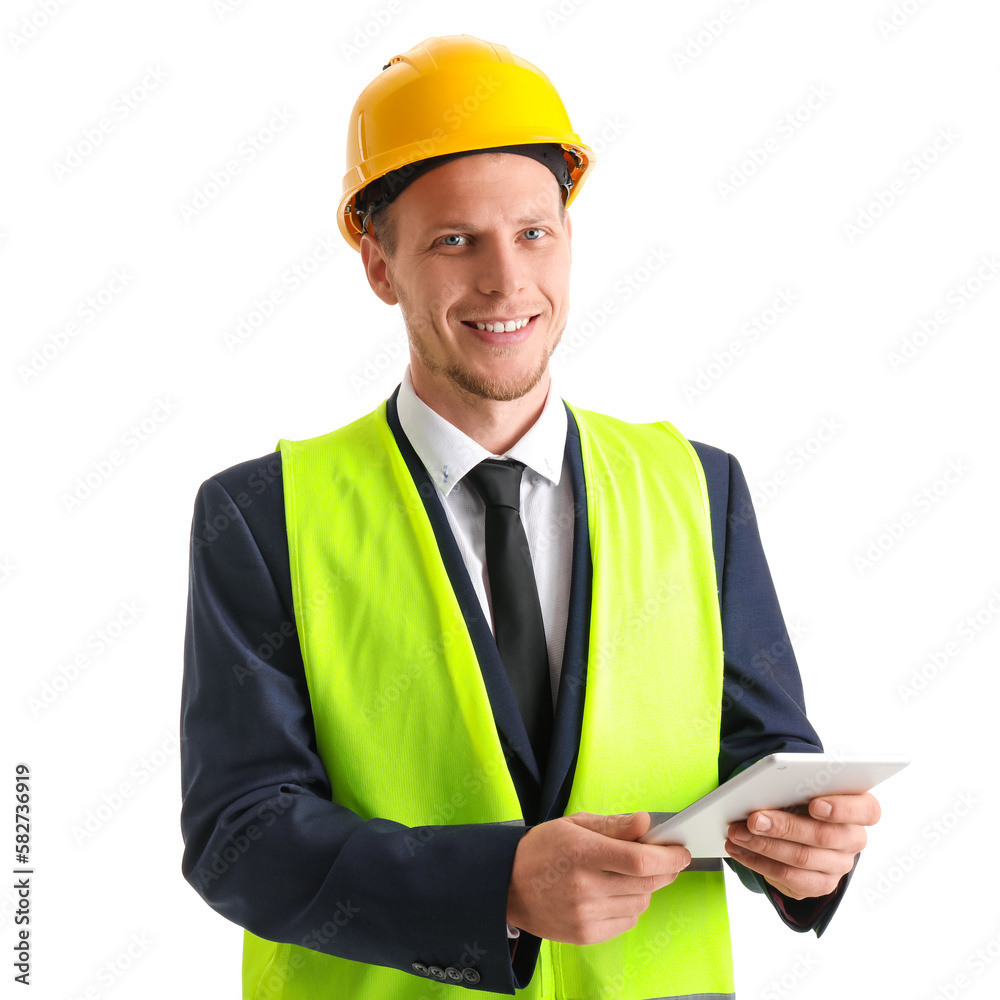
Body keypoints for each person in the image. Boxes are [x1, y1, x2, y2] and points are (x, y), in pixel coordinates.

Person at [180, 34, 881, 999]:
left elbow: (760, 764)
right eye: (454, 240)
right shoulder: (263, 516)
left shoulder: (699, 489)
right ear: (381, 265)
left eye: (534, 233)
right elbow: (238, 836)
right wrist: (495, 889)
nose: (507, 283)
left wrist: (809, 855)